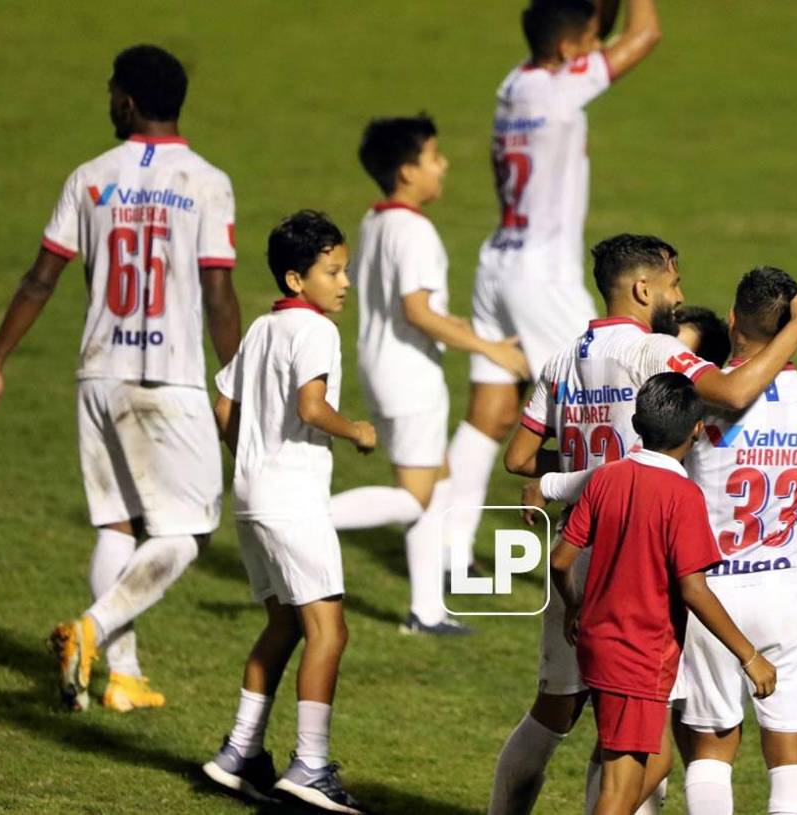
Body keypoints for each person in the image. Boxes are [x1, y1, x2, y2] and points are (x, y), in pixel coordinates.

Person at [489, 233, 797, 814]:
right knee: (645, 748)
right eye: (674, 282)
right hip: (634, 563)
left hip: (577, 551)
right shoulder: (653, 353)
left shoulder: (562, 359)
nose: (680, 293)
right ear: (644, 288)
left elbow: (518, 457)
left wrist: (573, 476)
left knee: (556, 711)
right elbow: (735, 389)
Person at [0, 44, 241, 712]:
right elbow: (220, 294)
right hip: (168, 378)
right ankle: (90, 629)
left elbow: (41, 276)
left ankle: (122, 676)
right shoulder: (207, 181)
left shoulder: (90, 176)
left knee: (117, 524)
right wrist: (232, 378)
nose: (107, 99)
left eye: (112, 90)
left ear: (131, 100)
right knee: (192, 527)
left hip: (98, 372)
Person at [443, 0, 663, 572]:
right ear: (568, 50)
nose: (598, 48)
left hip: (499, 263)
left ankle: (446, 546)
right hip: (544, 275)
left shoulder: (512, 85)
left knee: (490, 414)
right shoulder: (562, 90)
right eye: (591, 40)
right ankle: (589, 546)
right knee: (605, 394)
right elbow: (646, 34)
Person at [326, 115, 527, 635]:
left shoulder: (376, 220)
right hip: (408, 376)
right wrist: (487, 348)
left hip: (384, 367)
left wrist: (456, 326)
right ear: (407, 170)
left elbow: (401, 307)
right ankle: (301, 518)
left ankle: (425, 611)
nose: (444, 166)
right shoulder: (414, 229)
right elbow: (416, 310)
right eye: (434, 156)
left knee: (437, 490)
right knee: (415, 496)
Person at [202, 211, 375, 814]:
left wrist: (250, 459)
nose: (345, 282)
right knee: (330, 630)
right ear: (297, 279)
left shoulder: (260, 329)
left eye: (345, 269)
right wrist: (353, 429)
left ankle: (241, 754)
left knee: (283, 625)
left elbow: (224, 405)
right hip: (292, 500)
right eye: (333, 271)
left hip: (250, 498)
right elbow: (311, 405)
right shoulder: (316, 331)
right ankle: (312, 765)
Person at [552, 372, 776, 815]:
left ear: (636, 423)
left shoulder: (606, 478)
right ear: (697, 429)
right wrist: (749, 655)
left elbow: (561, 560)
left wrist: (575, 604)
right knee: (619, 789)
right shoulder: (682, 496)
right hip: (640, 654)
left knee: (657, 758)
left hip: (600, 644)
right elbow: (693, 588)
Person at [667, 267, 797, 815]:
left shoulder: (704, 396)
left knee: (712, 750)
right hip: (788, 591)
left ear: (731, 320)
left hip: (711, 592)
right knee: (791, 756)